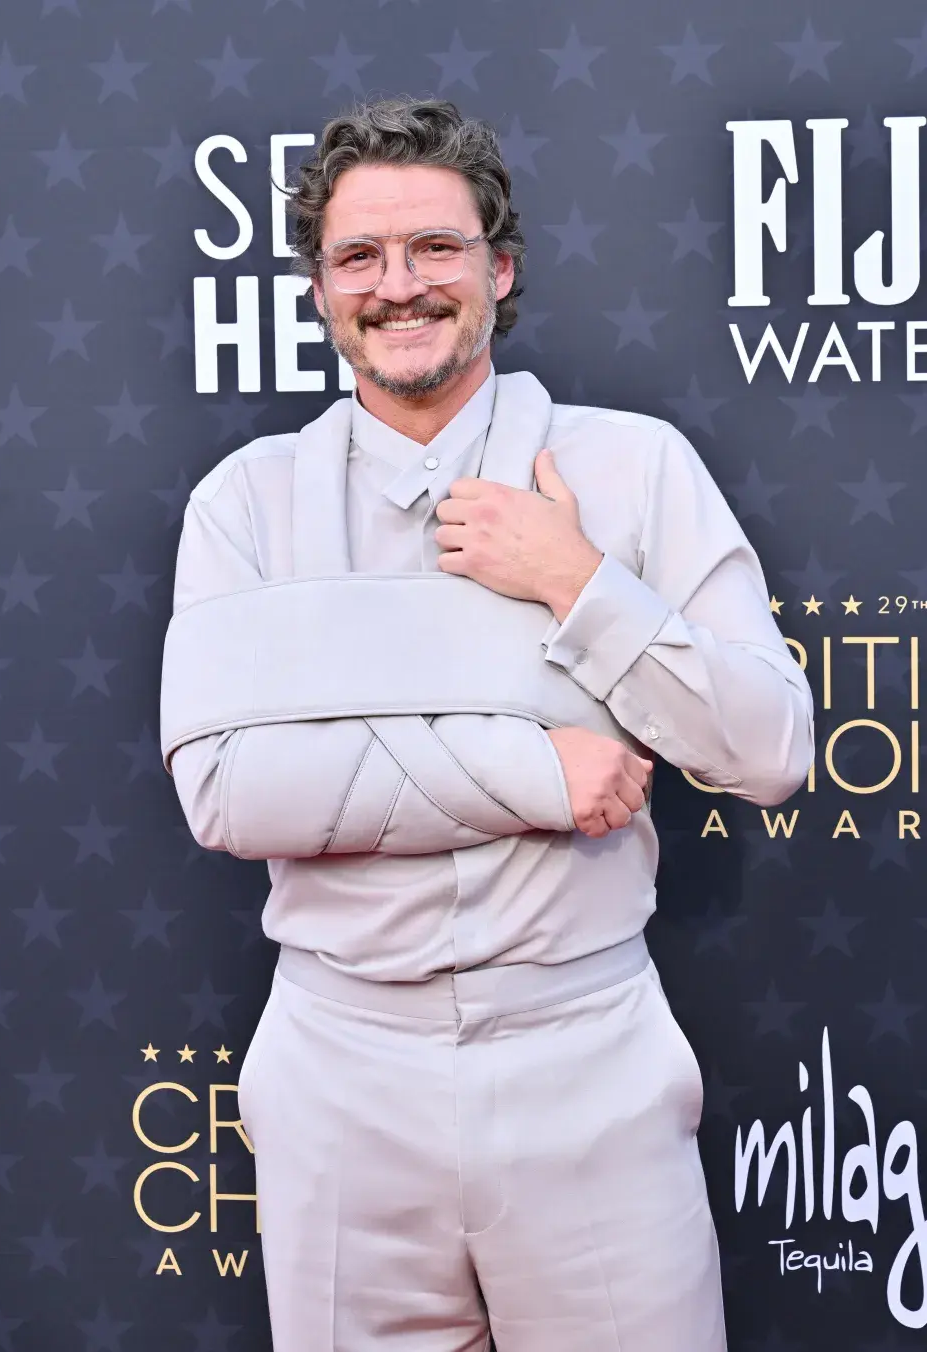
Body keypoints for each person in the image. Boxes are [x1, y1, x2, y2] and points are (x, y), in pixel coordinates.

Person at [159, 96, 814, 1352]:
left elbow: (770, 749)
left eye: (435, 250)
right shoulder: (244, 505)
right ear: (318, 289)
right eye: (359, 257)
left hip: (587, 1060)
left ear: (499, 269)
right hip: (342, 1080)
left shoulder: (633, 471)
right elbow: (231, 794)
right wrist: (535, 768)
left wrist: (581, 583)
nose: (398, 286)